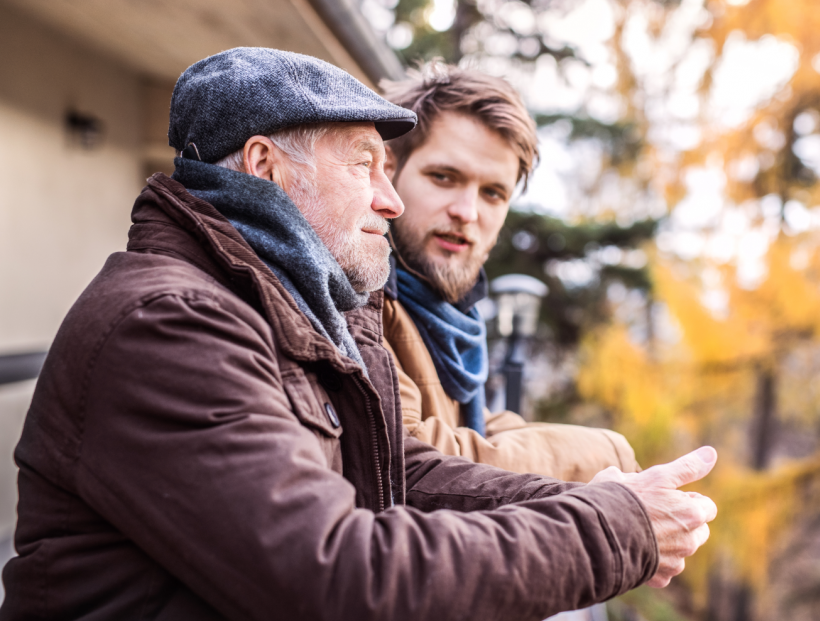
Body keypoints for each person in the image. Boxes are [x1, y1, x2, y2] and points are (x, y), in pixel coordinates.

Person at [0, 47, 717, 621]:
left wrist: (600, 503)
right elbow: (336, 576)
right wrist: (609, 529)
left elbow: (400, 474)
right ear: (263, 168)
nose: (392, 196)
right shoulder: (167, 325)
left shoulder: (309, 311)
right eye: (365, 164)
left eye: (493, 191)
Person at [380, 63, 637, 482]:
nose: (467, 212)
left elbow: (474, 428)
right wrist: (611, 455)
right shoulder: (360, 291)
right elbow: (408, 453)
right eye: (444, 177)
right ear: (388, 167)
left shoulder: (450, 317)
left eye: (493, 193)